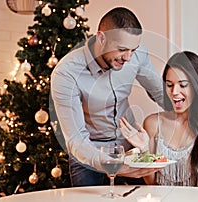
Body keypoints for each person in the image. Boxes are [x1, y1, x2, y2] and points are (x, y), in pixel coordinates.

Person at [50, 7, 163, 186]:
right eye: (122, 49)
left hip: (129, 148)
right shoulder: (67, 73)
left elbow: (161, 93)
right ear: (101, 38)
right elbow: (76, 139)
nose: (128, 57)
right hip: (88, 152)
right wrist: (113, 164)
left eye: (133, 49)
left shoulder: (136, 56)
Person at [119, 51, 198, 188]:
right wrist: (144, 150)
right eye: (169, 85)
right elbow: (152, 183)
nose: (174, 92)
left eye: (183, 85)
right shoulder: (153, 123)